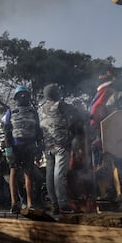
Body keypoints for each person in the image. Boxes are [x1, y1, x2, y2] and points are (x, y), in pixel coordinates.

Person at [88, 71, 122, 202]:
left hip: (99, 138)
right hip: (118, 138)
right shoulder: (118, 95)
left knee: (104, 167)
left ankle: (107, 194)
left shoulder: (95, 99)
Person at [39, 83, 84, 214]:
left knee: (50, 175)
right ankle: (63, 204)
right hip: (61, 145)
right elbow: (77, 115)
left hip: (47, 146)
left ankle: (54, 204)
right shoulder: (61, 105)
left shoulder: (40, 108)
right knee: (59, 175)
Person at [1, 85, 43, 213]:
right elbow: (7, 130)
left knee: (28, 174)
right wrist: (8, 149)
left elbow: (38, 131)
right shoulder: (10, 112)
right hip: (15, 145)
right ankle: (15, 203)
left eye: (25, 95)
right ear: (16, 98)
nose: (23, 97)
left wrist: (39, 147)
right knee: (14, 172)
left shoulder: (33, 112)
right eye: (20, 95)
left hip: (29, 146)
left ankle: (30, 203)